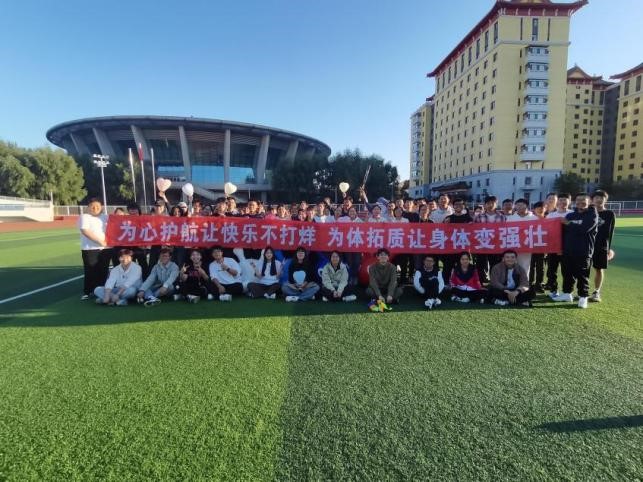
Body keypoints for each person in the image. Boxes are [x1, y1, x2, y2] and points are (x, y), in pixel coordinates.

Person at [552, 193, 599, 309]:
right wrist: (560, 248)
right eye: (578, 200)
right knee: (567, 273)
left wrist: (568, 223)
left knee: (582, 275)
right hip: (568, 250)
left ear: (589, 202)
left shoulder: (592, 215)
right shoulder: (571, 215)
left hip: (583, 251)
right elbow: (561, 233)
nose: (580, 202)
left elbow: (584, 229)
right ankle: (567, 293)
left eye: (583, 200)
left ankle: (583, 297)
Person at [78, 198, 112, 300]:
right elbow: (85, 231)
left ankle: (100, 290)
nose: (95, 208)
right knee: (90, 270)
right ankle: (88, 291)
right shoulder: (84, 217)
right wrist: (100, 241)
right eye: (92, 206)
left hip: (106, 248)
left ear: (101, 207)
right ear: (88, 207)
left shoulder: (106, 217)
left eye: (97, 206)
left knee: (103, 270)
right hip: (90, 248)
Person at [590, 190, 616, 302]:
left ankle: (596, 292)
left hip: (601, 246)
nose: (599, 199)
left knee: (599, 269)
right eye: (596, 197)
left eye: (602, 197)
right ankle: (583, 291)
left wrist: (608, 248)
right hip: (587, 244)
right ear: (592, 200)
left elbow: (611, 232)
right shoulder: (588, 212)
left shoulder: (609, 214)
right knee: (583, 269)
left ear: (605, 200)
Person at [473, 195, 506, 284]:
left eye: (492, 203)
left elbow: (504, 230)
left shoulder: (502, 217)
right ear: (485, 205)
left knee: (495, 264)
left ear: (496, 204)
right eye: (488, 203)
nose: (490, 205)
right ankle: (480, 283)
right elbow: (474, 230)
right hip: (482, 244)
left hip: (496, 245)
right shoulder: (479, 216)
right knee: (480, 264)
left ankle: (494, 283)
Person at [545, 194, 572, 297]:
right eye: (561, 200)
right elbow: (546, 232)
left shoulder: (573, 214)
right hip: (553, 248)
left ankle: (567, 292)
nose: (563, 202)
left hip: (568, 247)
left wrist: (567, 223)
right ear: (557, 202)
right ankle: (553, 290)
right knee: (552, 270)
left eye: (565, 200)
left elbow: (575, 229)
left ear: (569, 202)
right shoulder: (550, 215)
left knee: (567, 270)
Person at [506, 198, 538, 276]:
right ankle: (512, 281)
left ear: (526, 206)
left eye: (521, 205)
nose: (519, 207)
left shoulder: (534, 218)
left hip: (528, 245)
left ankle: (524, 281)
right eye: (517, 205)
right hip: (514, 245)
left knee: (525, 265)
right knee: (512, 264)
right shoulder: (510, 219)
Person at [529, 201, 546, 292]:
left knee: (540, 267)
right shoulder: (530, 219)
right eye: (538, 208)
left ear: (545, 209)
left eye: (542, 208)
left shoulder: (548, 219)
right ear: (534, 210)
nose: (540, 210)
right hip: (530, 246)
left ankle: (539, 284)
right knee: (531, 266)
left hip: (542, 247)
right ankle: (530, 283)